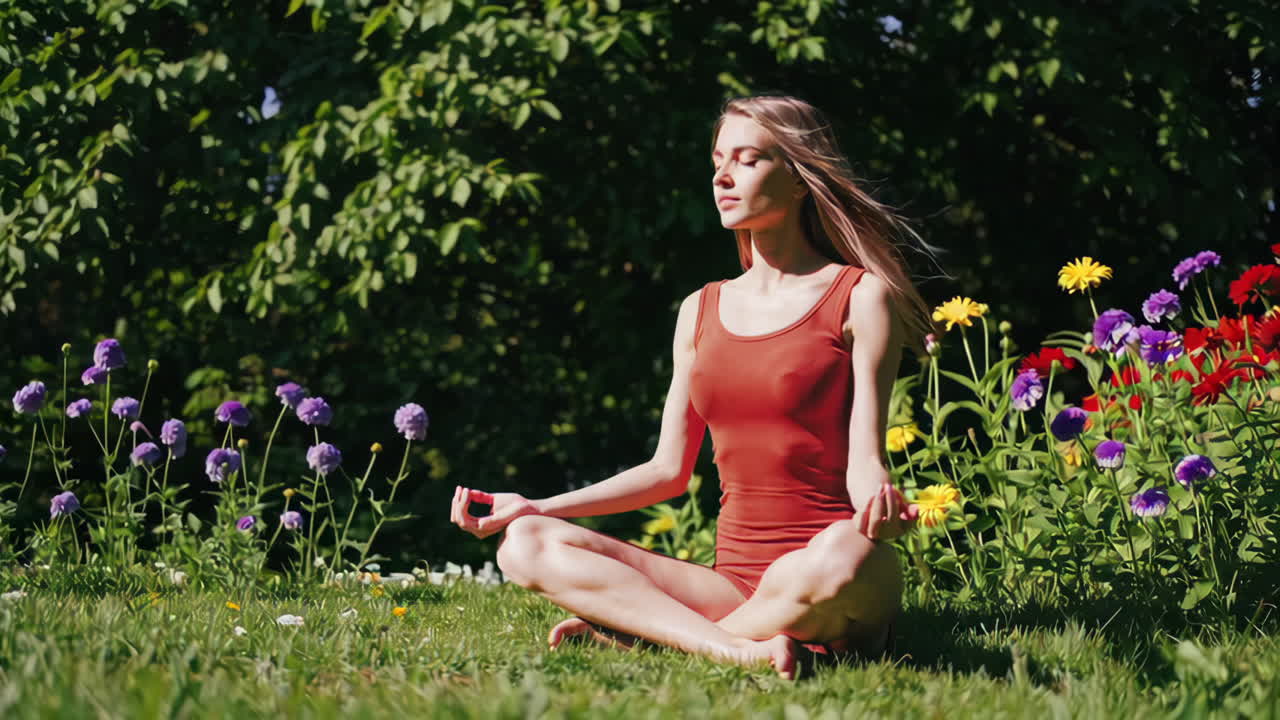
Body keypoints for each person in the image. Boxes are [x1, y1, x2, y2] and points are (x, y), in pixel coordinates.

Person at [450, 95, 934, 680]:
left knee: (840, 558)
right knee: (524, 543)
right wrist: (537, 505)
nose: (723, 177)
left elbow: (865, 459)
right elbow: (667, 471)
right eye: (717, 163)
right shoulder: (700, 309)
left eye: (748, 160)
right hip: (729, 585)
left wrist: (881, 504)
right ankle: (738, 646)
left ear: (801, 177)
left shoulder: (859, 296)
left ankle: (655, 637)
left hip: (830, 568)